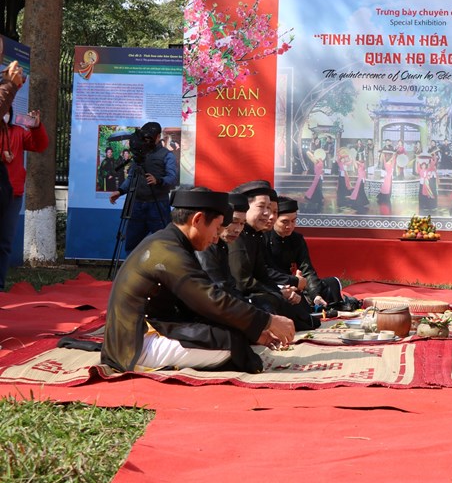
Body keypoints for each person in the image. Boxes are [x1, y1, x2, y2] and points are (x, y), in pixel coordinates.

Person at [101, 188, 296, 373]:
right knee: (232, 345)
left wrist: (253, 329)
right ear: (198, 219)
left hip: (152, 329)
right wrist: (268, 321)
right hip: (135, 345)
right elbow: (211, 299)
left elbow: (202, 302)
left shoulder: (171, 242)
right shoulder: (168, 251)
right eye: (217, 228)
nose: (215, 237)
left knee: (234, 333)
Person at [228, 180, 317, 331]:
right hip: (236, 297)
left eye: (271, 209)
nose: (268, 215)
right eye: (262, 207)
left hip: (262, 290)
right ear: (245, 207)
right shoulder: (236, 236)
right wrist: (280, 291)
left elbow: (262, 274)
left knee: (296, 306)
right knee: (272, 303)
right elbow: (242, 282)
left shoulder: (255, 235)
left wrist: (282, 291)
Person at [0, 71, 48, 291]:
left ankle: (0, 285)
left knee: (4, 243)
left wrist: (37, 127)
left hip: (13, 194)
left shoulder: (18, 132)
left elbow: (40, 146)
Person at [110, 121, 178, 253]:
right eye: (144, 138)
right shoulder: (140, 154)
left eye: (150, 138)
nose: (146, 141)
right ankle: (131, 270)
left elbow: (172, 178)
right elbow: (131, 177)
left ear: (158, 137)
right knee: (132, 244)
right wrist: (120, 191)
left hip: (158, 204)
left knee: (164, 243)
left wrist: (158, 180)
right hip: (137, 205)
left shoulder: (167, 155)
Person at [265, 196, 344, 309]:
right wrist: (293, 282)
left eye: (293, 221)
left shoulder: (296, 239)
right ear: (273, 219)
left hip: (294, 284)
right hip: (273, 284)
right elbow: (264, 271)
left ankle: (311, 300)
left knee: (331, 284)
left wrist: (315, 294)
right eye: (285, 222)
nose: (290, 226)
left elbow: (307, 269)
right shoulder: (263, 238)